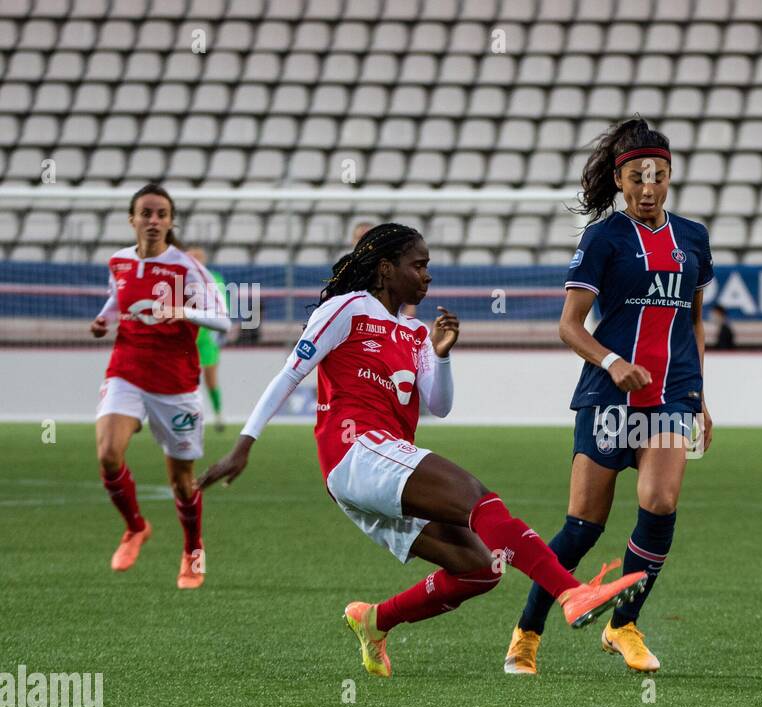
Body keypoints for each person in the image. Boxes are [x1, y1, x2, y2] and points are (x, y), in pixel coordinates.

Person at [198, 223, 647, 678]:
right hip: (355, 453)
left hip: (381, 464)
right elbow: (289, 374)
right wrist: (243, 444)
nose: (427, 275)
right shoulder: (347, 308)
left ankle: (375, 620)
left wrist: (442, 354)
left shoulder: (414, 333)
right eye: (419, 265)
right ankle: (571, 593)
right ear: (386, 269)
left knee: (481, 567)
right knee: (480, 500)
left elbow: (439, 405)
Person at [504, 116, 714, 676]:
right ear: (620, 181)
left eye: (660, 176)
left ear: (671, 178)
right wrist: (615, 363)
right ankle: (527, 631)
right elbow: (570, 325)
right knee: (583, 527)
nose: (649, 188)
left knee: (661, 503)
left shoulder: (694, 238)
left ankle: (624, 624)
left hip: (668, 398)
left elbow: (693, 322)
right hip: (607, 397)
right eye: (638, 177)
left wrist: (698, 395)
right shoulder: (603, 238)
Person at [90, 183, 230, 588]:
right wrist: (103, 320)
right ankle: (135, 527)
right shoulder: (117, 261)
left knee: (182, 482)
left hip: (176, 383)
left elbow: (224, 320)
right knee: (108, 454)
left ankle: (192, 549)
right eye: (146, 213)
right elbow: (117, 299)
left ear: (170, 222)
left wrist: (182, 310)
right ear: (132, 219)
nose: (153, 221)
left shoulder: (187, 267)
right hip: (127, 370)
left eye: (162, 214)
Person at [185, 245, 228, 431]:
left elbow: (222, 306)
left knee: (211, 378)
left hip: (207, 337)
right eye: (191, 256)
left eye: (198, 256)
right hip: (186, 337)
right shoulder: (180, 279)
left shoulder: (214, 279)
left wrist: (219, 331)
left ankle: (218, 414)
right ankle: (189, 415)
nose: (195, 259)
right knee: (186, 379)